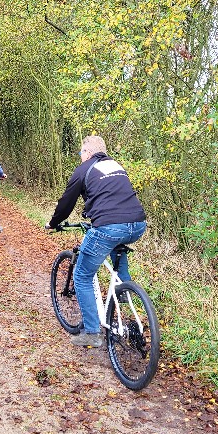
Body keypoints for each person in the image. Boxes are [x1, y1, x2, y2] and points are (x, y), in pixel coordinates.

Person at [45, 135, 146, 348]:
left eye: (81, 153)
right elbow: (113, 196)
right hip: (137, 224)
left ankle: (92, 332)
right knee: (116, 246)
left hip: (109, 226)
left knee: (82, 275)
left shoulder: (84, 169)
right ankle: (123, 292)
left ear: (88, 152)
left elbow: (66, 202)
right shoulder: (115, 165)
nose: (80, 157)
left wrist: (54, 223)